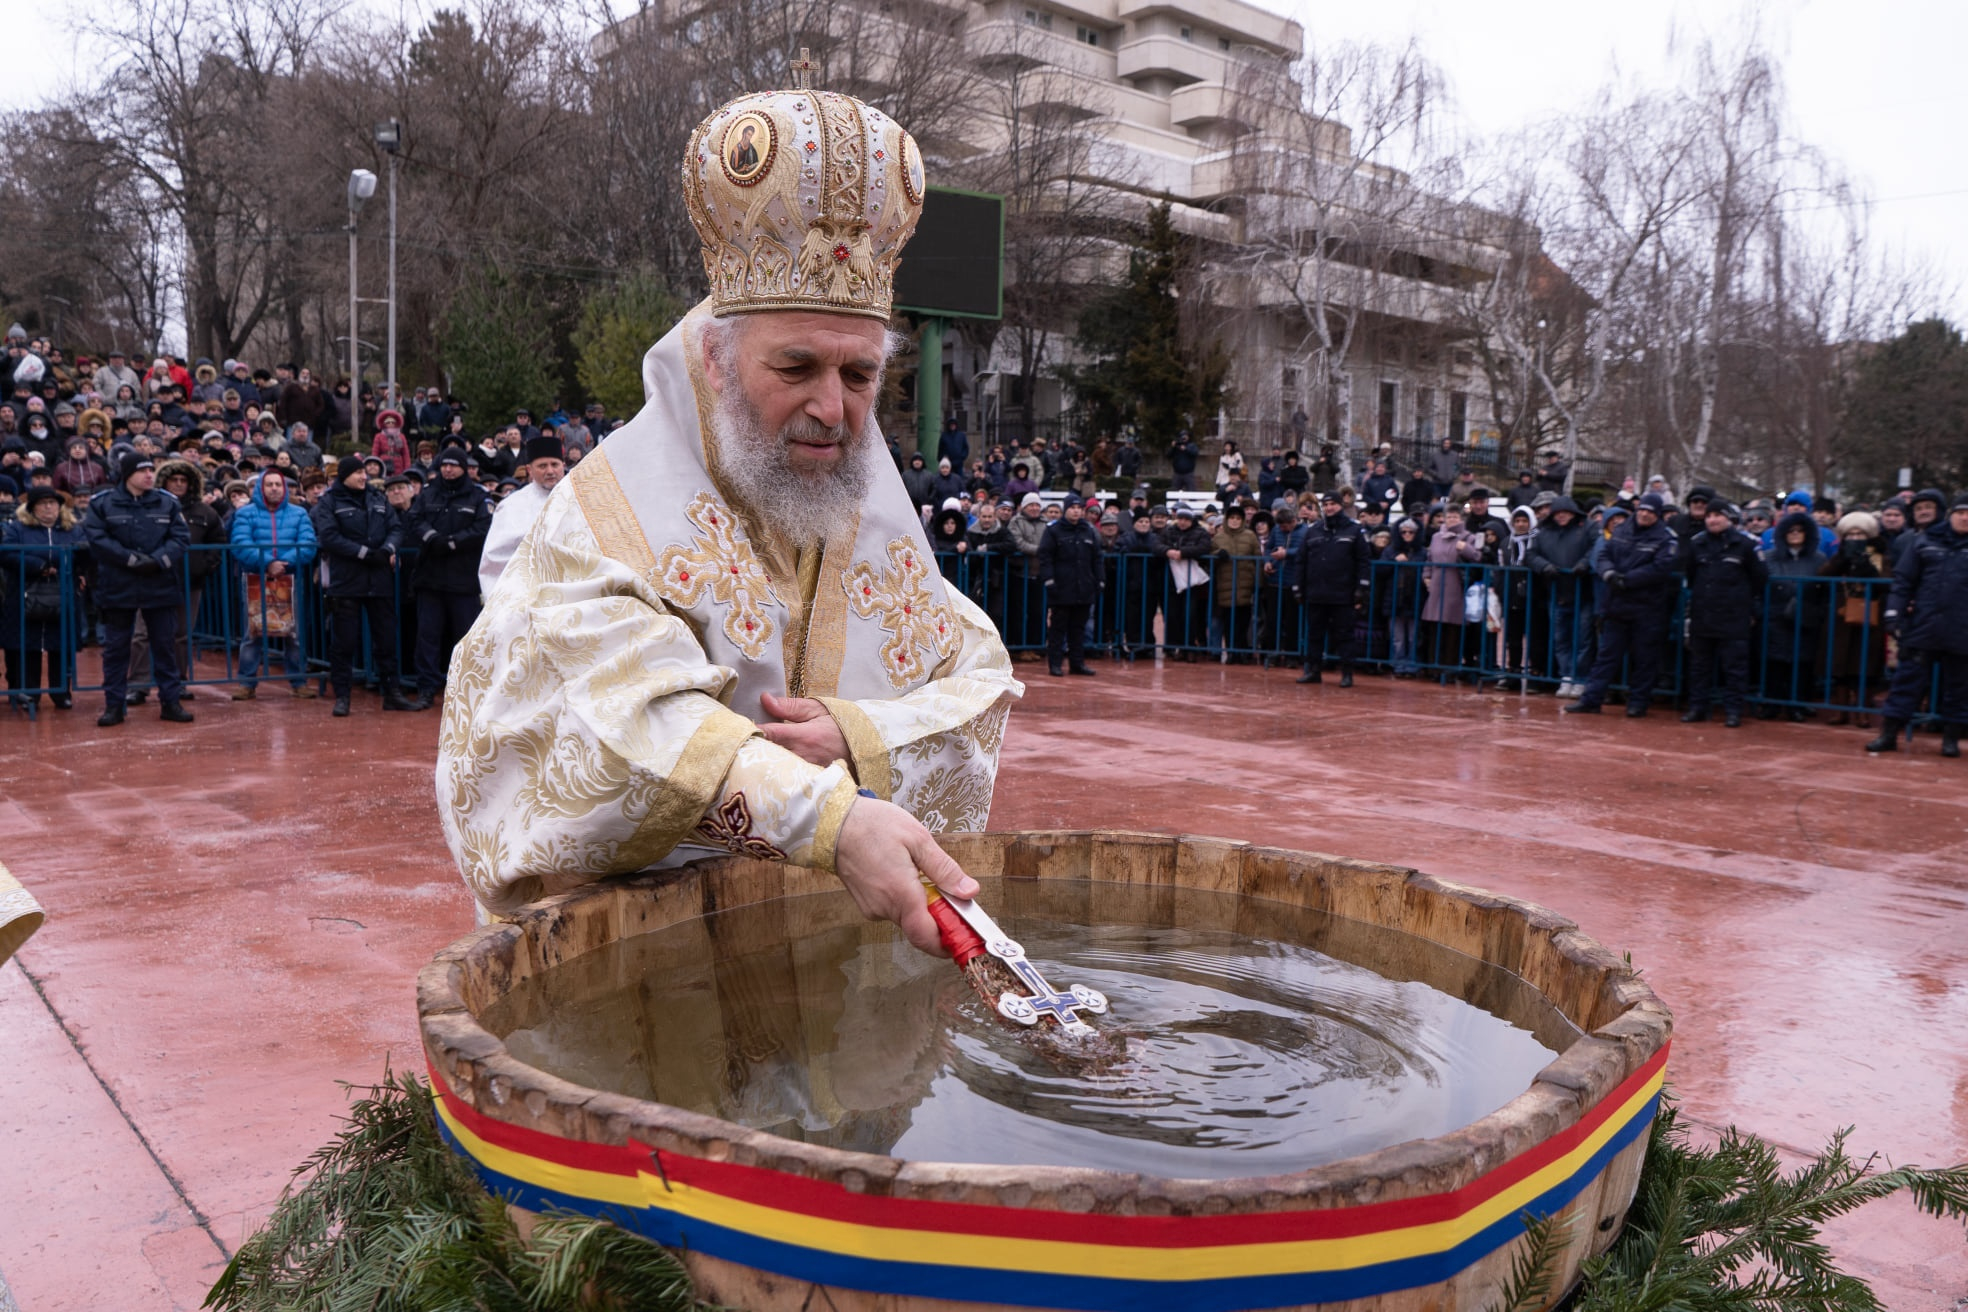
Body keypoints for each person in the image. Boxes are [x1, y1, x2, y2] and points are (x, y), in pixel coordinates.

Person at [437, 85, 1018, 941]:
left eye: (859, 376)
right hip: (644, 973)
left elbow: (979, 678)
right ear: (713, 357)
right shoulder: (601, 521)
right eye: (797, 367)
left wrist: (857, 735)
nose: (834, 408)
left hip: (823, 965)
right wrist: (830, 821)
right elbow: (610, 724)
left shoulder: (863, 511)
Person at [84, 454, 192, 725]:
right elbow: (97, 539)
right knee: (117, 649)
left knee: (164, 647)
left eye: (151, 470)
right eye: (142, 470)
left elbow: (180, 538)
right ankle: (114, 706)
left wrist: (157, 561)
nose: (149, 475)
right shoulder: (103, 504)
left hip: (159, 582)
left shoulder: (167, 502)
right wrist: (131, 560)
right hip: (119, 584)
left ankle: (170, 702)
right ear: (127, 473)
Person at [312, 454, 417, 716]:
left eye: (364, 473)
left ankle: (392, 693)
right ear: (345, 475)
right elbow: (329, 536)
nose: (363, 476)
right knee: (344, 642)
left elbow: (395, 528)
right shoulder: (329, 502)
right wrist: (363, 553)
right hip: (347, 581)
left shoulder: (377, 498)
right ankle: (343, 697)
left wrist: (388, 549)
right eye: (358, 472)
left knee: (386, 639)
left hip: (379, 579)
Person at [1869, 493, 1968, 756]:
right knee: (1906, 682)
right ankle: (1888, 734)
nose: (1965, 517)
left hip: (1962, 629)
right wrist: (1893, 614)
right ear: (1951, 514)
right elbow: (1903, 582)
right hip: (1923, 626)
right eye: (1961, 512)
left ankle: (1950, 740)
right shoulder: (1925, 541)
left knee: (1958, 687)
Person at [1565, 493, 1679, 717]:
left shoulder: (1665, 538)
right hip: (1617, 604)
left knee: (1644, 658)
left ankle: (1638, 703)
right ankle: (1591, 699)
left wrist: (1627, 579)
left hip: (1647, 607)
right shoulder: (1622, 530)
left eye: (1650, 511)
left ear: (1657, 515)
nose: (1645, 514)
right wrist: (1609, 574)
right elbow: (1603, 554)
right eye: (1642, 510)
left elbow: (1660, 568)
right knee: (1606, 656)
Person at [407, 449, 492, 708]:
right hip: (430, 578)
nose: (448, 470)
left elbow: (482, 527)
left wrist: (454, 543)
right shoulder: (429, 492)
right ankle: (426, 688)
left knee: (465, 638)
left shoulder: (478, 496)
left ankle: (466, 689)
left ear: (463, 468)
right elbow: (414, 519)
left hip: (463, 579)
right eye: (444, 465)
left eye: (454, 465)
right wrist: (432, 537)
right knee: (427, 636)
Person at [229, 468, 318, 699]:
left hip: (290, 578)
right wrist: (268, 563)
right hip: (254, 578)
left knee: (294, 633)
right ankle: (246, 683)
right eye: (269, 484)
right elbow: (240, 543)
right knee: (253, 632)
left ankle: (298, 682)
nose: (274, 488)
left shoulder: (299, 514)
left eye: (278, 484)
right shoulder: (245, 514)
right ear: (261, 487)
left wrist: (285, 563)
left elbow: (308, 544)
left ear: (285, 488)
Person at [1679, 501, 1766, 727]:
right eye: (1709, 516)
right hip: (1703, 614)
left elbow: (1759, 577)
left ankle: (1733, 711)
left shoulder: (1746, 545)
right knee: (1699, 666)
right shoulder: (1697, 544)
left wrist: (1744, 602)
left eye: (1717, 515)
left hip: (1733, 616)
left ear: (1728, 518)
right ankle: (1697, 707)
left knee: (1734, 667)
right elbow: (1690, 573)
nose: (1712, 520)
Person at [2, 487, 85, 715]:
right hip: (25, 593)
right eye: (43, 503)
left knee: (61, 644)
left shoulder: (73, 529)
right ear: (32, 508)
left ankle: (61, 693)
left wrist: (78, 570)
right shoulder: (17, 528)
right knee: (28, 644)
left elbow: (84, 552)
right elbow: (7, 553)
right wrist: (37, 565)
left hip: (63, 593)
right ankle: (30, 693)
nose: (49, 507)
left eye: (53, 503)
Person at [1288, 489, 1369, 685]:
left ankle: (1347, 673)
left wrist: (1361, 588)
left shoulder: (1354, 530)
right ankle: (1313, 671)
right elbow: (1301, 561)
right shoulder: (1313, 530)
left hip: (1343, 593)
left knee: (1344, 635)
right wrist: (1298, 587)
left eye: (1333, 504)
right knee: (1314, 634)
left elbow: (1363, 561)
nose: (1329, 508)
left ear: (1341, 505)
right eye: (1325, 504)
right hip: (1316, 593)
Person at [1821, 511, 1890, 727]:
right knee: (1840, 662)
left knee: (1866, 664)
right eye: (1851, 534)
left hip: (1871, 614)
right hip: (1842, 614)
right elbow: (1822, 577)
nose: (1855, 538)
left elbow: (1886, 583)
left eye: (1860, 534)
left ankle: (1863, 710)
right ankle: (1841, 709)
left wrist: (1867, 568)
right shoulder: (1839, 555)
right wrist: (1842, 559)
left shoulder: (1881, 556)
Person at [478, 434, 567, 598]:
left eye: (554, 464)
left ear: (563, 465)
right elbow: (494, 557)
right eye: (542, 466)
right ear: (529, 470)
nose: (550, 471)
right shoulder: (511, 506)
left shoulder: (578, 499)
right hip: (527, 593)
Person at [1525, 496, 1595, 697]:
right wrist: (1544, 566)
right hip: (1556, 593)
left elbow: (1595, 548)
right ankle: (1566, 677)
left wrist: (1584, 564)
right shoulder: (1542, 531)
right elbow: (1530, 555)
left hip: (1583, 593)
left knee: (1583, 640)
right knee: (1561, 640)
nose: (1561, 516)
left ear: (1573, 512)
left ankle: (1580, 679)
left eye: (1565, 512)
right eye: (1557, 513)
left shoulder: (1587, 527)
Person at [1038, 497, 1101, 676]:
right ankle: (1055, 664)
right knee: (1058, 629)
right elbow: (1045, 557)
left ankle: (1077, 663)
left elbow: (1097, 558)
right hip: (1061, 587)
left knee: (1078, 629)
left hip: (1083, 587)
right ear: (1066, 509)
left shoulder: (1088, 530)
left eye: (1079, 508)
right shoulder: (1053, 530)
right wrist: (1049, 581)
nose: (1076, 511)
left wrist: (1099, 580)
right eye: (1072, 508)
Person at [1209, 503, 1261, 662]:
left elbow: (1257, 558)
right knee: (1228, 622)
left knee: (1243, 621)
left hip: (1245, 584)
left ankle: (1241, 652)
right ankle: (1231, 652)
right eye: (1231, 517)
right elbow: (1210, 559)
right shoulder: (1218, 537)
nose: (1234, 521)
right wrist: (1218, 554)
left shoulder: (1250, 536)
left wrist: (1258, 582)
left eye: (1238, 518)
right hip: (1225, 585)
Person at [1160, 504, 1214, 657]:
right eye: (1180, 519)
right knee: (1173, 614)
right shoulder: (1169, 531)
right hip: (1172, 581)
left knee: (1190, 615)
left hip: (1192, 582)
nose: (1182, 522)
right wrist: (1167, 551)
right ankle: (1176, 647)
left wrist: (1182, 553)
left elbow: (1204, 547)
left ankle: (1189, 646)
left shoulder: (1200, 533)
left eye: (1186, 519)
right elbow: (1157, 545)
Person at [371, 408, 412, 475]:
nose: (390, 424)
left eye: (393, 422)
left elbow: (405, 454)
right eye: (388, 422)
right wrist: (375, 467)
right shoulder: (378, 436)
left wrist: (407, 469)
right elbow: (375, 453)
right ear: (384, 424)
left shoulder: (401, 436)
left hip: (399, 465)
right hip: (384, 463)